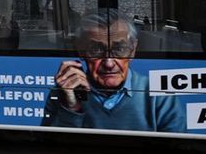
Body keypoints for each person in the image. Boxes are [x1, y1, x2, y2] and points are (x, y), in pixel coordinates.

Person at [40, 8, 183, 132]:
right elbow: (50, 150)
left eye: (119, 49)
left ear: (132, 50)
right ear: (81, 51)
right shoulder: (63, 92)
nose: (108, 63)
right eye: (96, 49)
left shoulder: (160, 97)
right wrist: (71, 108)